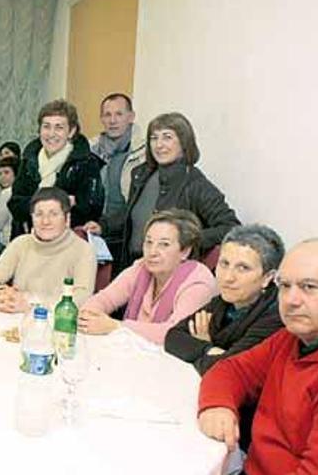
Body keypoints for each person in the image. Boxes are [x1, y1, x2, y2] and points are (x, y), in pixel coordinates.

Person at [198, 238, 318, 474]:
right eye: (285, 286)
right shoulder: (288, 339)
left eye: (309, 287)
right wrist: (217, 404)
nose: (291, 300)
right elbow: (231, 370)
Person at [85, 112, 240, 270]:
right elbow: (130, 213)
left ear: (184, 142)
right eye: (154, 138)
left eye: (167, 137)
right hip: (132, 266)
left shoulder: (195, 183)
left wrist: (186, 240)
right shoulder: (141, 174)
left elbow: (230, 227)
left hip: (170, 273)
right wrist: (103, 226)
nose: (159, 145)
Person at [78, 209, 218, 345]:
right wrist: (90, 314)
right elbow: (106, 298)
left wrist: (116, 326)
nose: (152, 252)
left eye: (164, 244)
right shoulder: (141, 267)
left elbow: (174, 334)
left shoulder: (198, 282)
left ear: (185, 251)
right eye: (149, 242)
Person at [166, 224, 285, 374]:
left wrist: (202, 347)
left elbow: (227, 370)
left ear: (268, 277)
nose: (228, 277)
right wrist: (208, 348)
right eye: (224, 264)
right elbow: (173, 337)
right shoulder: (223, 302)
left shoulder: (276, 317)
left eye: (243, 268)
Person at [0, 187, 96, 313]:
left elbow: (81, 298)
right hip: (14, 319)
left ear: (67, 219)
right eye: (39, 214)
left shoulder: (83, 250)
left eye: (54, 214)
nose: (45, 221)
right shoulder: (21, 243)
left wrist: (31, 304)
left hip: (56, 324)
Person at [9, 99, 105, 238]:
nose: (51, 134)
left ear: (71, 131)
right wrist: (60, 202)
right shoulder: (29, 160)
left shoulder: (87, 163)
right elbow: (15, 204)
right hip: (27, 238)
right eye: (46, 126)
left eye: (59, 127)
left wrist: (36, 203)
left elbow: (91, 208)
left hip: (68, 242)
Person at [88, 93, 145, 221]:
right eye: (107, 115)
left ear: (131, 117)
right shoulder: (90, 150)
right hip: (95, 227)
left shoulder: (143, 153)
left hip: (127, 229)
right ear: (101, 118)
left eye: (119, 114)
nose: (112, 120)